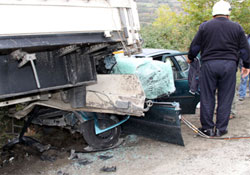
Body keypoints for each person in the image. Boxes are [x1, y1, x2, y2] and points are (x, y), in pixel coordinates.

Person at [187, 0, 250, 137]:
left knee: (207, 96)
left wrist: (190, 57)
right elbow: (245, 49)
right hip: (229, 65)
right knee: (225, 97)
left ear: (213, 14)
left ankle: (208, 128)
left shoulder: (205, 26)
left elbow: (195, 46)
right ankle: (221, 129)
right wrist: (246, 65)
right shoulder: (237, 27)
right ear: (228, 13)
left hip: (209, 65)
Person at [238, 35, 250, 101]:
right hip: (244, 62)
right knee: (243, 78)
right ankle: (242, 94)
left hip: (245, 62)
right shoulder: (245, 38)